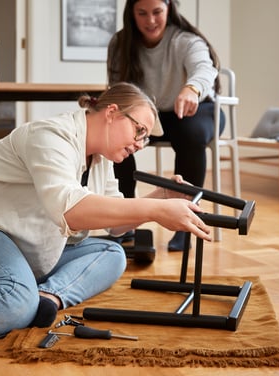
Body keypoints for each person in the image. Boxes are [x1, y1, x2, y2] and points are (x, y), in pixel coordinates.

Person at [0, 82, 211, 336]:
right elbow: (71, 211)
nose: (141, 144)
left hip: (30, 245)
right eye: (139, 130)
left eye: (146, 137)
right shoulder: (51, 136)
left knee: (112, 253)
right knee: (16, 305)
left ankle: (47, 296)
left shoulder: (101, 157)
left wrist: (161, 197)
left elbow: (116, 225)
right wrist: (156, 210)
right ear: (111, 113)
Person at [107, 0, 225, 251]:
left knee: (190, 134)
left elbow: (205, 68)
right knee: (117, 135)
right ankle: (125, 220)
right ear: (132, 14)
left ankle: (187, 222)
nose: (150, 21)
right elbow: (117, 88)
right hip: (153, 115)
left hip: (197, 109)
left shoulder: (185, 40)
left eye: (157, 12)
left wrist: (192, 88)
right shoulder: (121, 43)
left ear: (169, 9)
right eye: (142, 13)